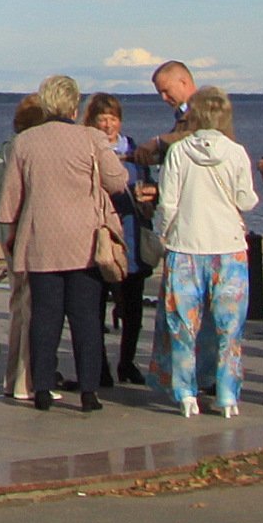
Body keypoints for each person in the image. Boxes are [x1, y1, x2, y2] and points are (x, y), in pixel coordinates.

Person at [0, 73, 126, 413]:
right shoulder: (91, 139)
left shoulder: (26, 142)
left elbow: (9, 200)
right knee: (85, 318)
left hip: (41, 240)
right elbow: (117, 181)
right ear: (74, 105)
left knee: (45, 317)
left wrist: (12, 229)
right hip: (84, 241)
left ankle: (41, 388)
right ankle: (88, 391)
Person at [154, 82, 261, 417]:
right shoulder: (236, 152)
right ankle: (227, 394)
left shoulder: (179, 152)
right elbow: (246, 199)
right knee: (229, 328)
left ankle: (186, 391)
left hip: (185, 246)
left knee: (183, 326)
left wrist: (163, 234)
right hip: (228, 247)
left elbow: (168, 203)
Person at [85, 94, 154, 385]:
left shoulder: (135, 150)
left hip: (132, 233)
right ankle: (99, 367)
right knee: (95, 302)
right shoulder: (87, 150)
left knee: (133, 305)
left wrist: (150, 196)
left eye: (113, 118)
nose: (108, 124)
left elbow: (150, 187)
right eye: (102, 118)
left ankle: (127, 362)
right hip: (98, 234)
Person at [0, 99, 48, 400]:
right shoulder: (23, 152)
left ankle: (15, 378)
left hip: (9, 234)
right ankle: (27, 380)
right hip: (25, 236)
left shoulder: (4, 151)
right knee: (30, 307)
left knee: (19, 306)